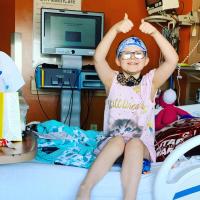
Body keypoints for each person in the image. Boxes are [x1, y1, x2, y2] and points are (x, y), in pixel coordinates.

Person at [76, 13, 178, 200]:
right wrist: (115, 29)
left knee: (134, 143)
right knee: (118, 141)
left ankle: (129, 197)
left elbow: (172, 60)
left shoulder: (151, 83)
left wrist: (155, 33)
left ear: (146, 60)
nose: (133, 57)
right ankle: (85, 188)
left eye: (138, 53)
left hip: (140, 147)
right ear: (117, 60)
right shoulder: (112, 81)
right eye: (126, 53)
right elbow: (98, 58)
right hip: (113, 144)